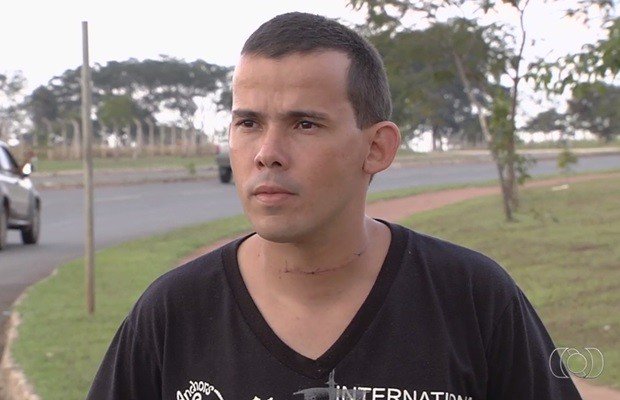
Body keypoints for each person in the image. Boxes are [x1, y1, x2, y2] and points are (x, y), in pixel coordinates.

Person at [87, 12, 583, 400]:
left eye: (305, 124)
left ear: (377, 148)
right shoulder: (173, 315)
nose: (266, 153)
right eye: (249, 123)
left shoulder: (472, 299)